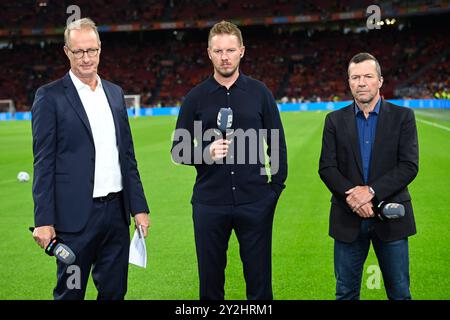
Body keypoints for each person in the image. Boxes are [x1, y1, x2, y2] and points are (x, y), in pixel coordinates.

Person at [31, 18, 150, 300]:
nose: (86, 58)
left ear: (100, 49)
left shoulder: (115, 93)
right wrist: (44, 220)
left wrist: (139, 208)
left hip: (116, 217)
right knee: (71, 293)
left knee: (114, 293)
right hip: (74, 222)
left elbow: (128, 157)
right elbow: (44, 163)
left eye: (91, 50)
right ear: (66, 52)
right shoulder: (50, 97)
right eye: (78, 51)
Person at [171, 21, 287, 300]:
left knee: (259, 282)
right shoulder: (195, 97)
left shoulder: (260, 93)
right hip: (210, 203)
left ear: (242, 51)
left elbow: (277, 142)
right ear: (209, 53)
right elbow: (178, 150)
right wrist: (204, 154)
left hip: (256, 201)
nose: (225, 56)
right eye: (219, 50)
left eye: (230, 50)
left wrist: (274, 189)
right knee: (210, 283)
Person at [318, 52, 419, 300]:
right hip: (347, 217)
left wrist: (370, 192)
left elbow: (408, 165)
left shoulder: (403, 117)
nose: (361, 82)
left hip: (391, 218)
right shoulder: (334, 120)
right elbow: (327, 168)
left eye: (367, 76)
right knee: (345, 293)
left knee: (400, 293)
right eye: (355, 77)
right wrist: (354, 198)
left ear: (380, 80)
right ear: (349, 81)